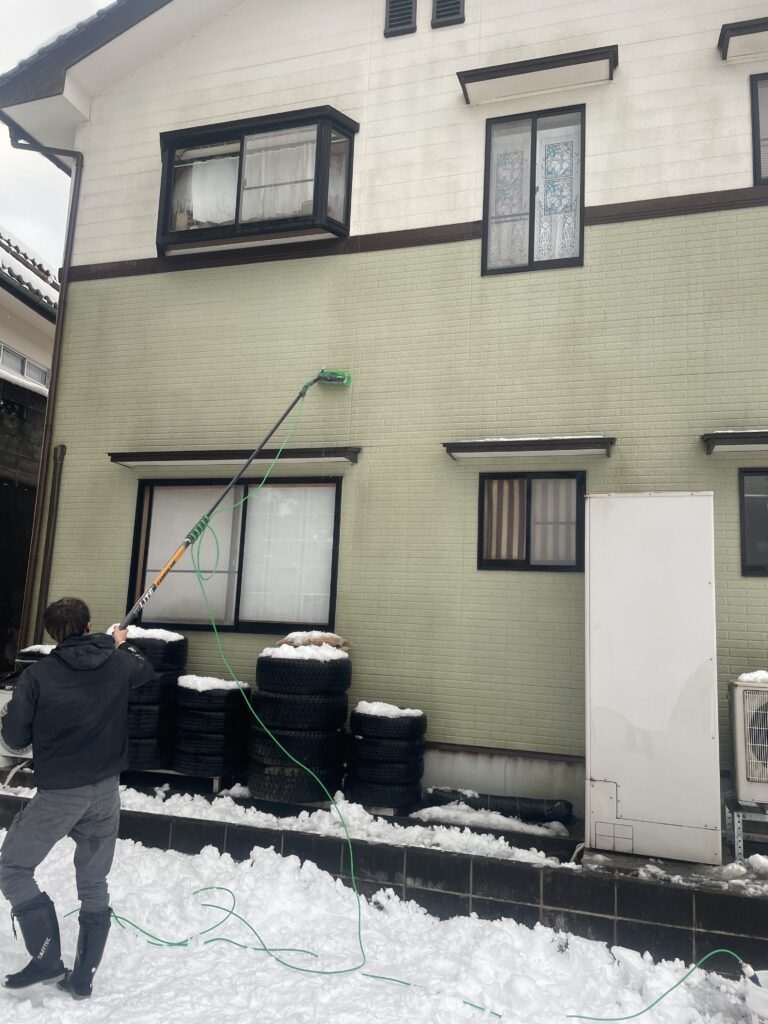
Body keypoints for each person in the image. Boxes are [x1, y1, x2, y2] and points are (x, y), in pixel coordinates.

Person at [0, 596, 153, 998]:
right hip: (105, 792)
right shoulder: (118, 662)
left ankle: (48, 960)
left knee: (12, 868)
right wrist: (119, 644)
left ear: (53, 634)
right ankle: (82, 979)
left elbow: (13, 738)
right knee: (94, 881)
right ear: (88, 625)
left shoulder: (38, 676)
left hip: (60, 794)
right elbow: (144, 670)